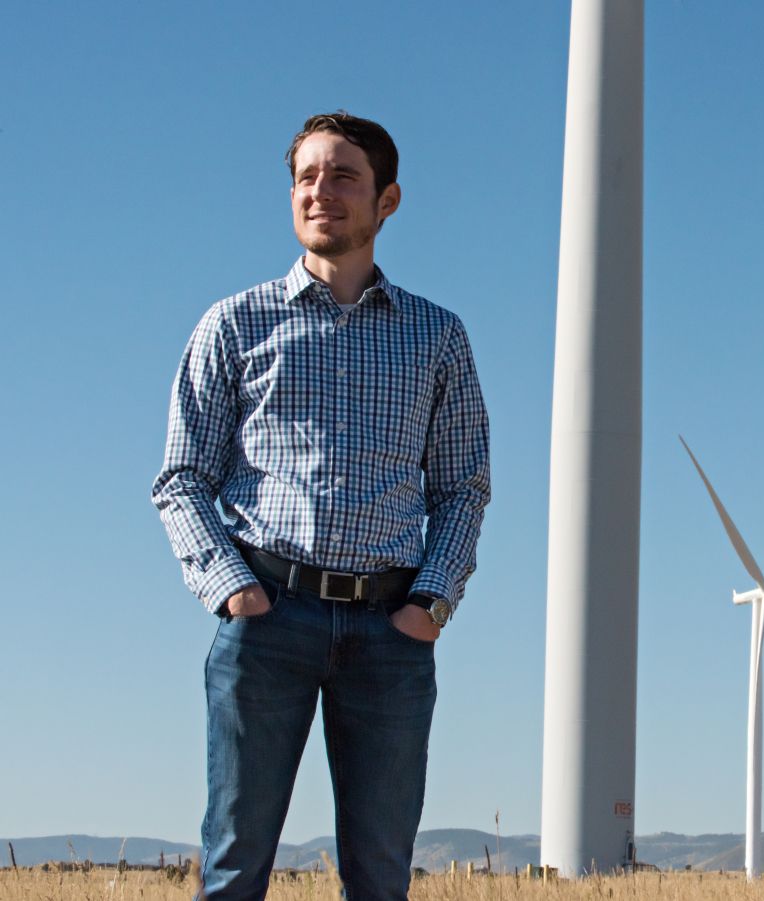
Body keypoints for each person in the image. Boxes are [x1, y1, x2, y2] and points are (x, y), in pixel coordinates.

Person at [151, 111, 490, 901]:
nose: (320, 192)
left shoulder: (437, 337)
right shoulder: (233, 324)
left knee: (379, 876)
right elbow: (180, 478)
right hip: (268, 619)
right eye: (306, 176)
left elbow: (463, 487)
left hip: (390, 628)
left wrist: (430, 604)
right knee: (235, 866)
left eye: (343, 176)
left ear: (387, 200)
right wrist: (234, 591)